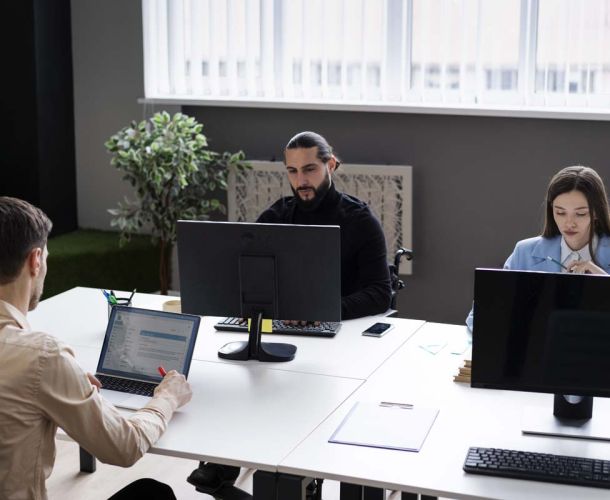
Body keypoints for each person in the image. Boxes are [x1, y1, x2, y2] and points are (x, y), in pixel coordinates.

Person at [187, 131, 392, 498]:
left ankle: (276, 471)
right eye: (293, 171)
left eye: (310, 170)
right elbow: (241, 272)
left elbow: (381, 293)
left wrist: (322, 312)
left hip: (337, 344)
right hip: (280, 334)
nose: (301, 181)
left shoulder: (360, 220)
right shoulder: (277, 215)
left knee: (284, 394)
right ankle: (225, 461)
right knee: (239, 381)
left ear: (330, 165)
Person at [0, 196, 193, 500]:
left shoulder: (38, 359)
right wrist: (166, 398)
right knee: (153, 493)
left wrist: (64, 384)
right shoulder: (41, 356)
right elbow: (124, 447)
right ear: (35, 260)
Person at [466, 165, 610, 331]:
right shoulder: (525, 252)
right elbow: (476, 318)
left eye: (581, 213)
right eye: (560, 212)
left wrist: (604, 281)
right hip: (538, 352)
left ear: (596, 212)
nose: (569, 223)